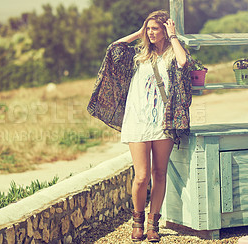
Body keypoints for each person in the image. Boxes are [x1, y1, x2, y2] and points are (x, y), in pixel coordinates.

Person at [87, 10, 192, 242]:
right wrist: (139, 32)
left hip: (164, 121)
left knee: (160, 173)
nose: (151, 33)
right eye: (149, 29)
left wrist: (174, 36)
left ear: (165, 30)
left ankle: (153, 224)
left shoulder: (172, 56)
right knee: (142, 176)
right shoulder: (138, 56)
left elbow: (184, 62)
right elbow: (113, 49)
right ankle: (138, 222)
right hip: (137, 121)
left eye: (156, 28)